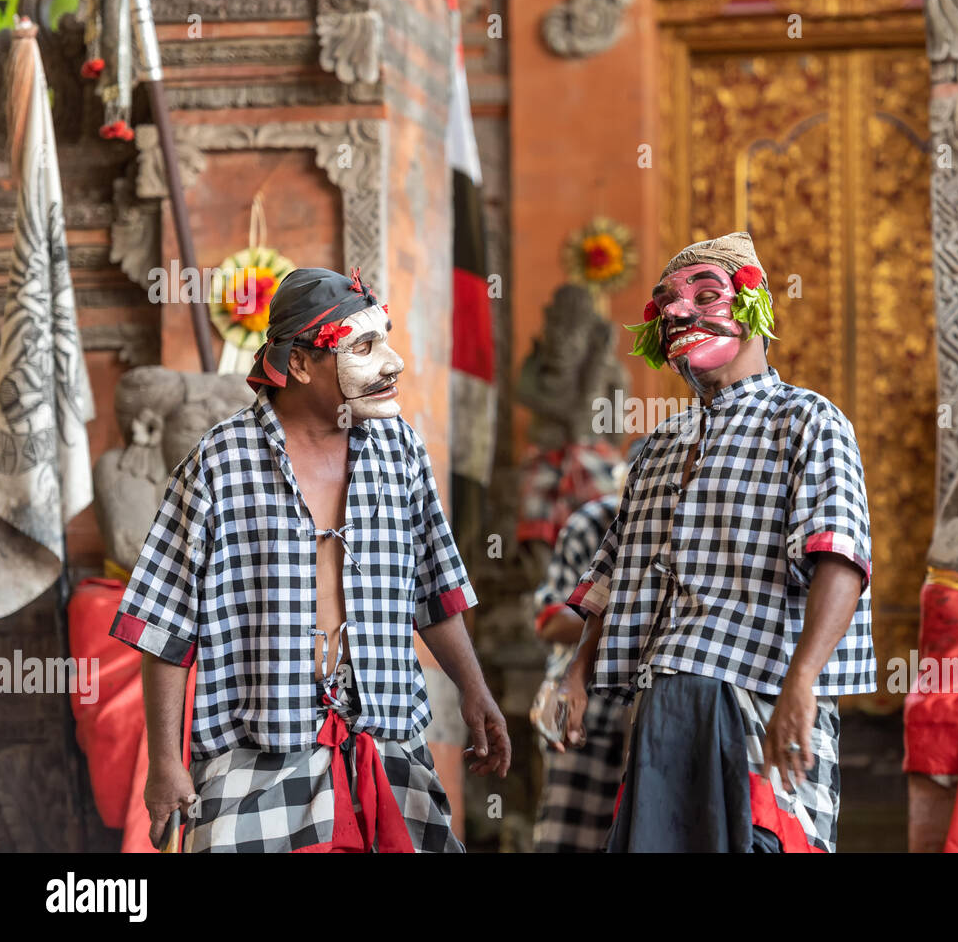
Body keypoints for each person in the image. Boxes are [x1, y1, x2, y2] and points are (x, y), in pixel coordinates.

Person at [111, 266, 510, 852]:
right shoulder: (220, 463)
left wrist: (475, 690)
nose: (392, 363)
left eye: (387, 339)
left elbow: (436, 591)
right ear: (299, 364)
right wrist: (166, 763)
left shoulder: (401, 452)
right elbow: (164, 627)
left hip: (384, 741)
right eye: (364, 347)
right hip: (255, 752)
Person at [558, 232, 873, 852]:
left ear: (754, 307)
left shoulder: (807, 419)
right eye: (666, 303)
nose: (679, 313)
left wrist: (802, 682)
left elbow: (840, 558)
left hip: (756, 694)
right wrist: (576, 672)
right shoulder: (657, 446)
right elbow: (618, 572)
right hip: (661, 698)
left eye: (706, 295)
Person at [530, 439, 644, 852]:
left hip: (646, 699)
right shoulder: (589, 525)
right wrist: (625, 622)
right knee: (569, 835)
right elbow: (549, 620)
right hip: (585, 697)